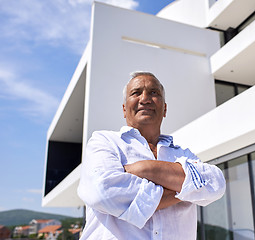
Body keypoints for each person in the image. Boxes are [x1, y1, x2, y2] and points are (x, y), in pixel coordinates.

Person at [77, 71, 226, 239]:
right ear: (124, 109)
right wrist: (186, 189)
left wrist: (144, 168)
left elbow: (216, 183)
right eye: (136, 92)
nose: (145, 99)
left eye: (154, 93)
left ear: (165, 109)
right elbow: (103, 192)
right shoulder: (104, 141)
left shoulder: (183, 153)